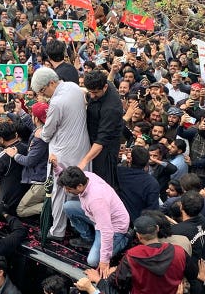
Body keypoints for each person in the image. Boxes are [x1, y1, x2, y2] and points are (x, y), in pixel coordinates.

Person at [30, 67, 91, 240]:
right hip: (81, 149)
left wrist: (39, 131)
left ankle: (57, 230)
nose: (44, 95)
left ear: (51, 82)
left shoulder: (57, 102)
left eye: (43, 91)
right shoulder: (74, 87)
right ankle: (78, 226)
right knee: (81, 188)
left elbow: (47, 133)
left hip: (62, 152)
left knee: (58, 191)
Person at [56, 165, 130, 277]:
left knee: (93, 261)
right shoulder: (86, 176)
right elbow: (66, 175)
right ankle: (88, 238)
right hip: (96, 217)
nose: (66, 191)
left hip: (113, 227)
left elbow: (107, 231)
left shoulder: (96, 200)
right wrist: (57, 168)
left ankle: (124, 239)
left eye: (69, 189)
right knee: (68, 207)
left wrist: (104, 261)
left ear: (80, 186)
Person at [94, 215, 193, 294]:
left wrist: (108, 275)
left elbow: (118, 282)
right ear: (157, 229)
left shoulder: (132, 256)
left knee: (106, 285)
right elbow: (192, 273)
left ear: (138, 236)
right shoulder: (179, 251)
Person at [77, 71, 123, 190]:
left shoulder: (111, 108)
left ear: (105, 87)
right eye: (90, 92)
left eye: (95, 93)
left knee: (102, 184)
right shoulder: (102, 84)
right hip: (93, 140)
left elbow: (101, 141)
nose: (92, 96)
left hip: (105, 151)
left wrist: (84, 162)